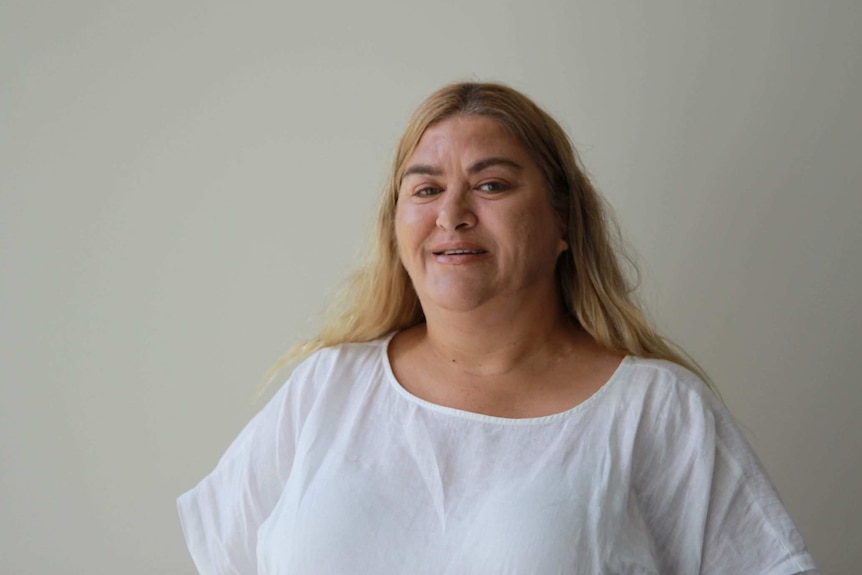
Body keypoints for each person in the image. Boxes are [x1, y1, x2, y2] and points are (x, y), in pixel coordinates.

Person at [177, 82, 818, 574]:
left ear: (563, 220)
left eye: (490, 184)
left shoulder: (658, 411)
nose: (452, 214)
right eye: (425, 190)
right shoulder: (325, 392)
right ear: (396, 225)